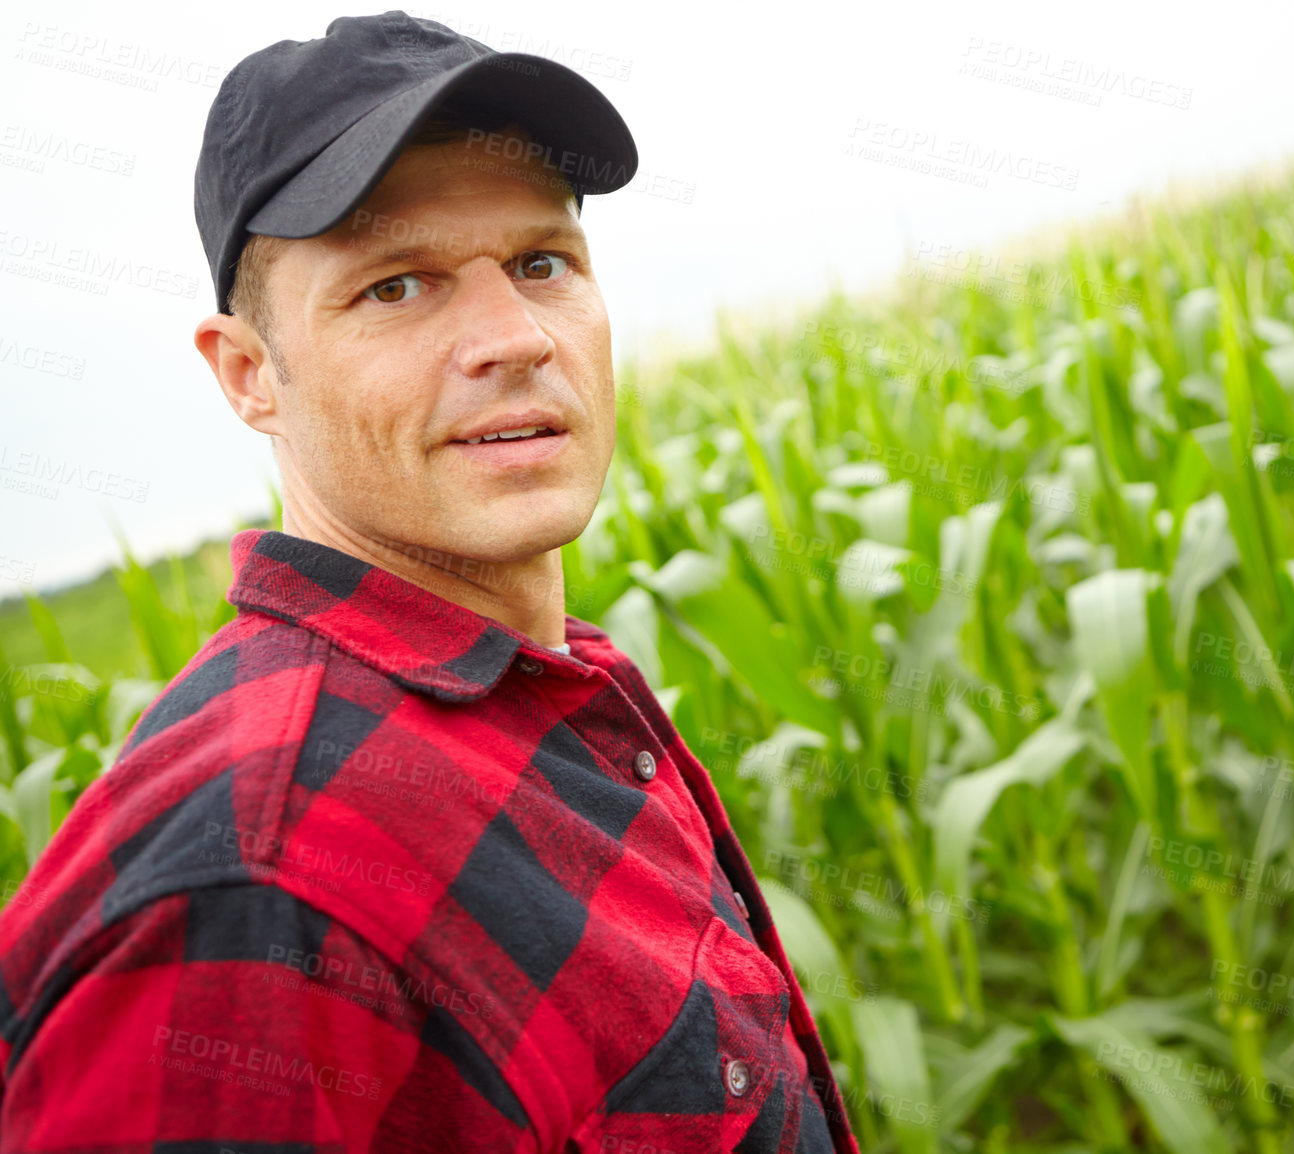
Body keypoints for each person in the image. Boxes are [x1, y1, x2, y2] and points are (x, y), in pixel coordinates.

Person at [0, 12, 857, 1153]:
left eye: (541, 262)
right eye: (398, 285)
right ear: (251, 375)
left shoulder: (549, 691)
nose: (514, 336)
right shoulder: (257, 889)